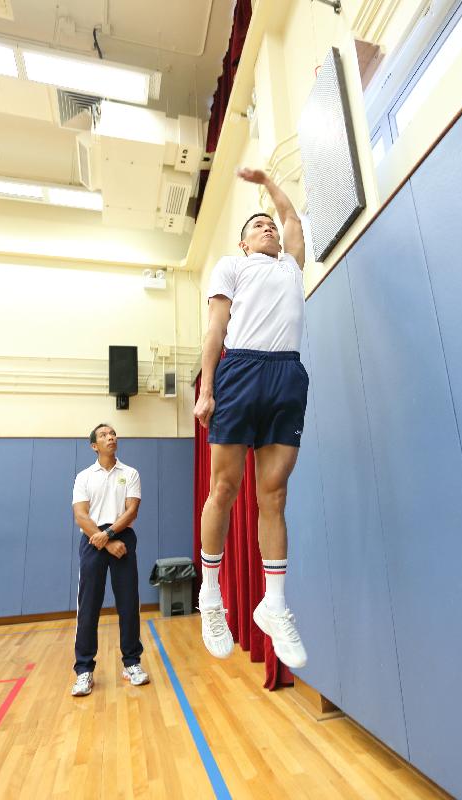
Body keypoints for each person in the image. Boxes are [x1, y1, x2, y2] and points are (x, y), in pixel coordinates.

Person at [194, 167, 309, 669]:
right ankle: (212, 596)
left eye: (269, 225)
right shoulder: (231, 267)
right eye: (256, 225)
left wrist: (268, 182)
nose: (267, 227)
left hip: (286, 374)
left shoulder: (291, 267)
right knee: (224, 488)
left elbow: (292, 218)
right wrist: (206, 388)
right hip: (240, 369)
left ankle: (275, 604)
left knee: (275, 494)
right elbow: (215, 329)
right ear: (243, 243)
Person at [70, 423, 149, 696]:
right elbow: (80, 515)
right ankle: (83, 671)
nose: (110, 437)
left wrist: (112, 535)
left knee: (128, 604)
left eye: (113, 433)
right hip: (94, 542)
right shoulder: (84, 477)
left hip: (121, 540)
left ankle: (132, 663)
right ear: (94, 445)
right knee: (88, 606)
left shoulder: (130, 473)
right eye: (103, 435)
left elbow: (132, 511)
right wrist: (104, 541)